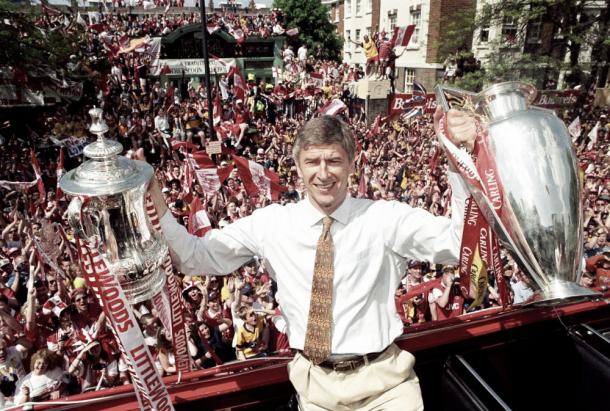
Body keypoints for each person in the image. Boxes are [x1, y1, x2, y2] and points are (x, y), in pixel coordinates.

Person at [140, 108, 476, 410]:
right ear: (297, 167)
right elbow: (195, 257)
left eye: (334, 161)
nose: (324, 173)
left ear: (352, 165)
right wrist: (153, 199)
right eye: (313, 162)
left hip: (387, 388)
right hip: (315, 391)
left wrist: (459, 161)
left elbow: (459, 244)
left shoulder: (385, 218)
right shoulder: (271, 223)